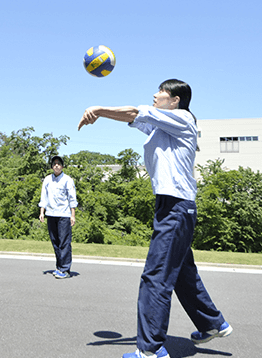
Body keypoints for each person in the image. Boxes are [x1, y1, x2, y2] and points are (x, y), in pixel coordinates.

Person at [78, 79, 232, 358]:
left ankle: (150, 350)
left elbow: (135, 112)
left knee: (155, 277)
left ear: (174, 100)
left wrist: (98, 109)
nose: (154, 95)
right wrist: (106, 115)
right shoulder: (163, 125)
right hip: (173, 207)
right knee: (183, 273)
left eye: (160, 92)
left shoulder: (182, 118)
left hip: (176, 207)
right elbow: (134, 119)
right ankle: (213, 324)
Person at [39, 155, 78, 279]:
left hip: (64, 214)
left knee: (64, 242)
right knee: (55, 242)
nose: (56, 165)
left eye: (59, 163)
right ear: (51, 166)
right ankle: (59, 266)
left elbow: (72, 198)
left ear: (62, 166)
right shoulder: (47, 180)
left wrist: (73, 215)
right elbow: (43, 197)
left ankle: (65, 269)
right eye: (54, 163)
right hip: (51, 214)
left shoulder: (67, 179)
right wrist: (42, 212)